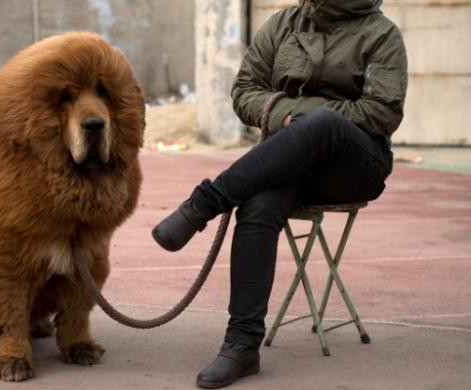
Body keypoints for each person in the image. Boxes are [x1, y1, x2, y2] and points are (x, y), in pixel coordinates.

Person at [152, 0, 407, 388]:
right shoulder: (283, 23)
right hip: (289, 161)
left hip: (354, 166)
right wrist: (288, 118)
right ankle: (242, 345)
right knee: (258, 203)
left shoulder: (381, 34)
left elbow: (381, 113)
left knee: (322, 123)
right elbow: (244, 90)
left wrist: (307, 117)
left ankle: (205, 202)